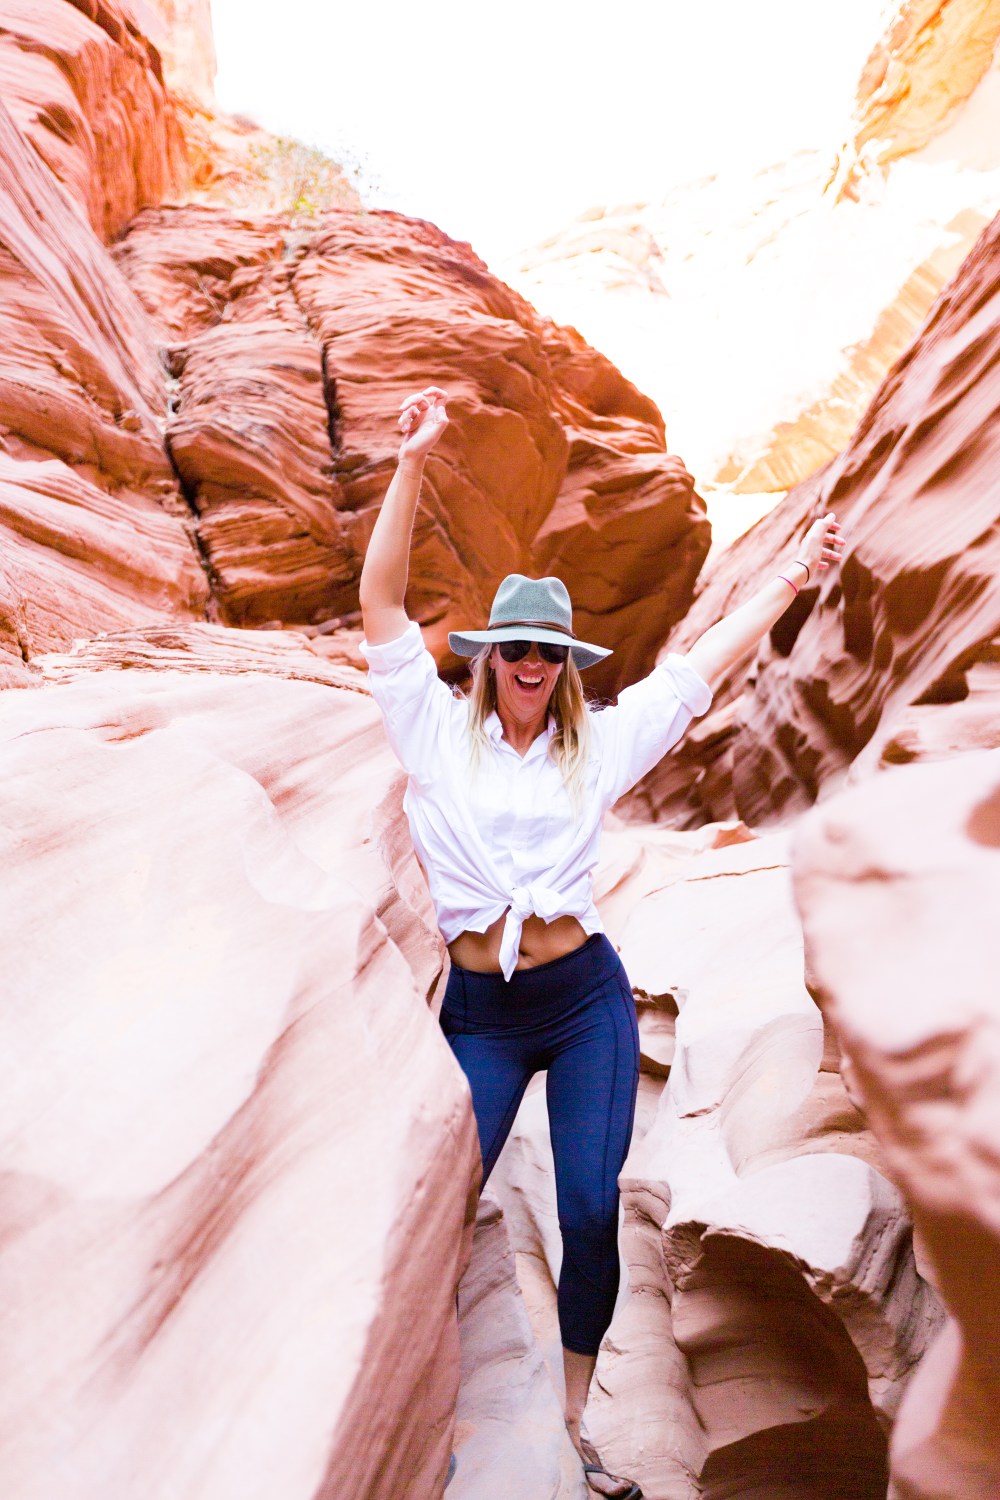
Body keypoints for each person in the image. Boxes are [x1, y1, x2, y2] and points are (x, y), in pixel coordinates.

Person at [359, 386, 845, 1499]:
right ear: (487, 656)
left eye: (548, 651)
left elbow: (699, 671)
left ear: (565, 664)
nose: (530, 663)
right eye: (514, 646)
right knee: (445, 1207)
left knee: (587, 1208)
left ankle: (571, 1421)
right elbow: (380, 600)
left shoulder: (600, 746)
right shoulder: (430, 730)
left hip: (581, 1003)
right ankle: (420, 1411)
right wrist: (414, 464)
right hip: (479, 1015)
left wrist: (787, 579)